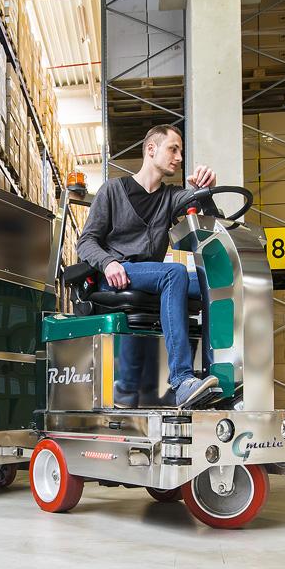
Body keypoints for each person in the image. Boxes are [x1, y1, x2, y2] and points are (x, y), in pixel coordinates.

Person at [77, 124, 219, 408]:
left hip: (152, 277)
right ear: (151, 149)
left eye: (180, 151)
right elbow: (85, 242)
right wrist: (108, 263)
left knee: (212, 282)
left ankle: (209, 376)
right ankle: (181, 379)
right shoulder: (112, 190)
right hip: (117, 274)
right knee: (175, 273)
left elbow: (210, 222)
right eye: (173, 149)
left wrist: (206, 192)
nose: (179, 157)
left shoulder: (171, 197)